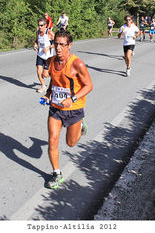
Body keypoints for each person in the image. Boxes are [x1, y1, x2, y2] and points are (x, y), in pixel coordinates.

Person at [40, 29, 93, 189]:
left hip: (74, 108)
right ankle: (57, 173)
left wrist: (72, 99)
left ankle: (81, 125)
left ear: (69, 45)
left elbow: (89, 85)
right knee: (52, 140)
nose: (58, 48)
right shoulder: (51, 61)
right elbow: (54, 81)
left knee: (70, 143)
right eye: (56, 44)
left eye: (62, 45)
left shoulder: (77, 63)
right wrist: (49, 93)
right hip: (55, 108)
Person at [33, 18, 55, 93]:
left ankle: (56, 80)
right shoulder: (38, 32)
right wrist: (35, 45)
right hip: (40, 55)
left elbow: (57, 43)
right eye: (39, 25)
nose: (40, 27)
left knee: (45, 74)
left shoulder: (50, 33)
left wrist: (49, 47)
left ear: (45, 25)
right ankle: (43, 86)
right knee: (39, 72)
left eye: (41, 25)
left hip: (48, 57)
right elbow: (36, 40)